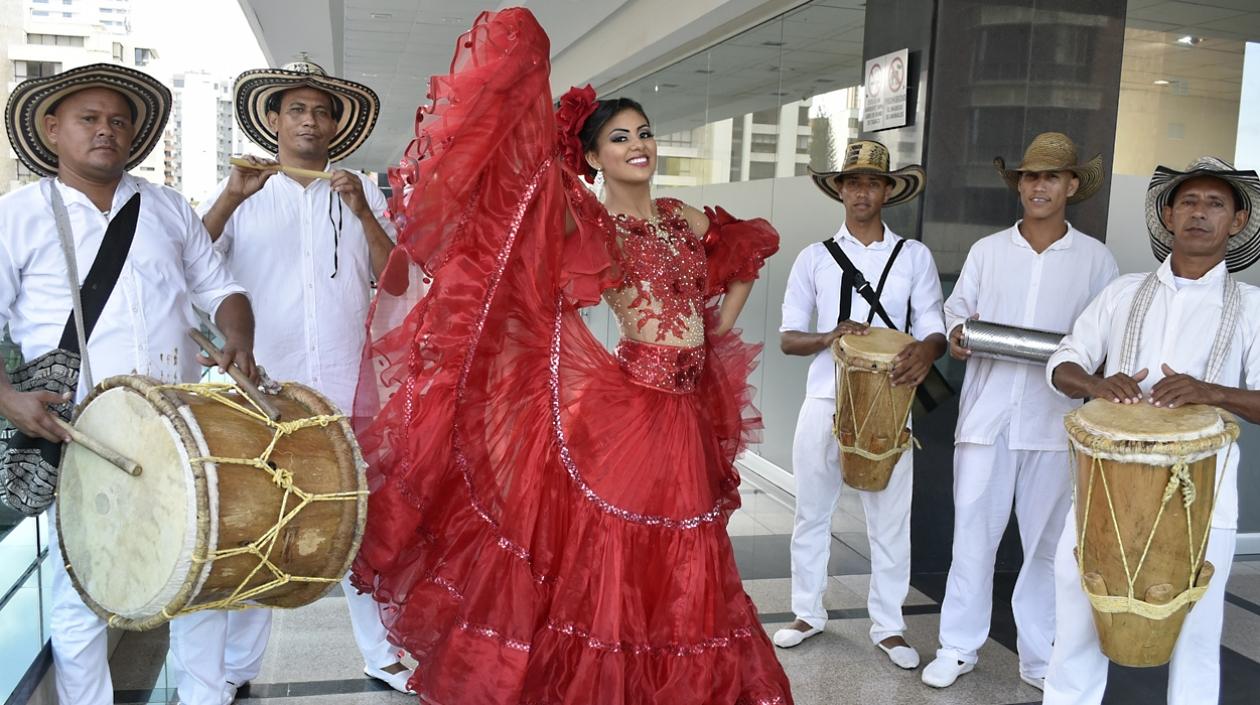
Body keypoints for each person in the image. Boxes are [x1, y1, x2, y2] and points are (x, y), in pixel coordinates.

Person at [349, 8, 792, 703]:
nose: (639, 145)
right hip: (629, 409)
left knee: (692, 551)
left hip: (685, 410)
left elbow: (745, 253)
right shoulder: (591, 219)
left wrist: (714, 333)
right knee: (619, 550)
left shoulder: (682, 216)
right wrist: (525, 87)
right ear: (592, 156)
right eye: (620, 137)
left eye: (644, 132)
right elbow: (523, 206)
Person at [0, 63, 257, 705]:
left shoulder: (166, 208)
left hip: (180, 424)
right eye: (88, 119)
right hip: (80, 431)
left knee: (199, 573)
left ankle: (205, 697)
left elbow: (221, 287)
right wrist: (8, 398)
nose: (105, 130)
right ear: (52, 129)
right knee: (82, 587)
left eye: (118, 121)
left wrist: (238, 337)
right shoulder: (17, 215)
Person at [197, 58, 410, 694]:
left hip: (347, 382)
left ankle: (383, 653)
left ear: (336, 125)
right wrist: (231, 196)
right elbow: (189, 262)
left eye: (321, 111)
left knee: (359, 516)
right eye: (296, 109)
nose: (309, 121)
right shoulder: (245, 189)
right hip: (263, 386)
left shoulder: (361, 190)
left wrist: (363, 211)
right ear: (274, 119)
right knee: (258, 518)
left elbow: (397, 278)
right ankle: (237, 669)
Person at [1042, 156, 1260, 705]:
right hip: (1104, 492)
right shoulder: (1124, 291)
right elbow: (1062, 364)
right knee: (1077, 607)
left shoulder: (1253, 307)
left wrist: (1212, 391)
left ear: (1237, 221)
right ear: (1168, 215)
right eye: (1189, 201)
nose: (1199, 213)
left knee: (1197, 629)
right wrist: (1097, 383)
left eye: (1216, 204)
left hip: (1203, 496)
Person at [922, 133, 1118, 690]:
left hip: (1056, 425)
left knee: (1048, 549)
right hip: (986, 420)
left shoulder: (1096, 260)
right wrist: (958, 336)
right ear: (1019, 185)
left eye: (1051, 177)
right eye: (1030, 176)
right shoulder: (987, 251)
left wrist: (1085, 365)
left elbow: (1105, 336)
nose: (1039, 186)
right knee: (971, 538)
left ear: (1071, 186)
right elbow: (956, 311)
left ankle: (1037, 656)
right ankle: (958, 647)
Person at [774, 140, 946, 669]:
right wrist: (829, 336)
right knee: (812, 510)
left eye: (873, 182)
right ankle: (806, 612)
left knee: (890, 518)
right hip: (824, 398)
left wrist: (926, 351)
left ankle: (889, 626)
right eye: (853, 183)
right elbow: (788, 338)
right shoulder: (814, 257)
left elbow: (934, 327)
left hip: (890, 402)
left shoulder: (913, 256)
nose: (862, 192)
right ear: (840, 191)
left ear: (888, 191)